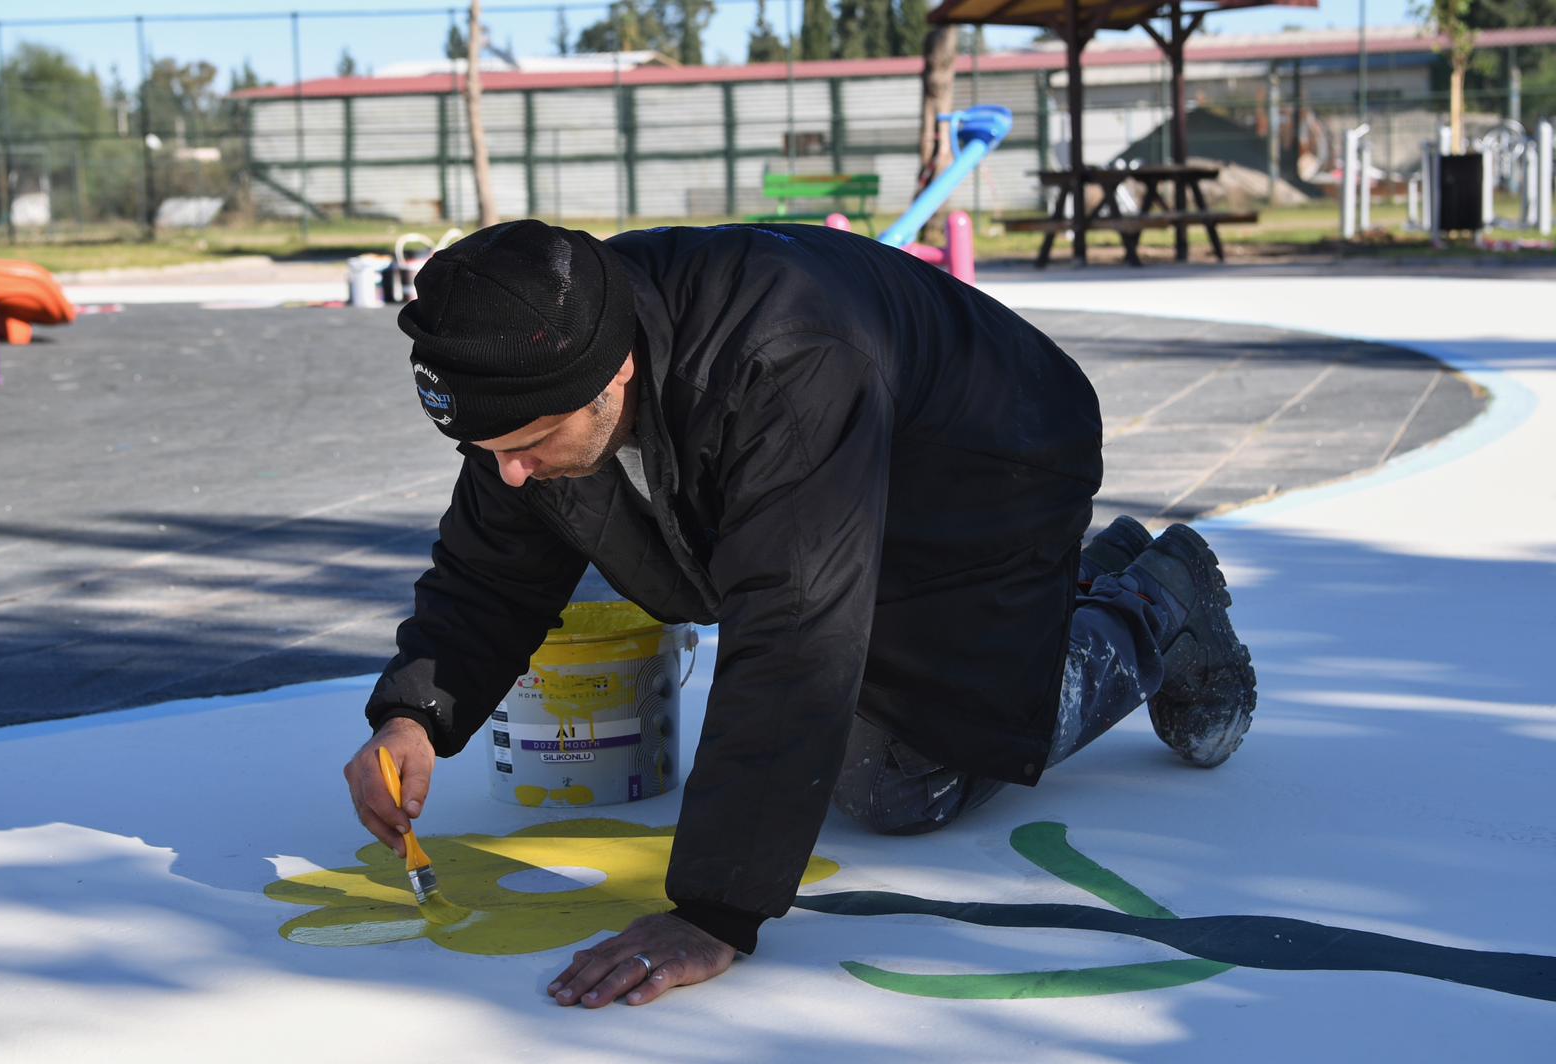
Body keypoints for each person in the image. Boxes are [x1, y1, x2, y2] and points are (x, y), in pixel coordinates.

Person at [342, 219, 1256, 1009]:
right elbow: (493, 565)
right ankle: (1075, 595)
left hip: (988, 470)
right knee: (568, 531)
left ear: (614, 374)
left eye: (529, 445)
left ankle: (1155, 602)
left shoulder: (782, 367)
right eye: (486, 449)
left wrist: (715, 908)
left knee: (900, 782)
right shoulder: (534, 342)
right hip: (860, 448)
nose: (507, 469)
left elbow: (796, 632)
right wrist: (416, 713)